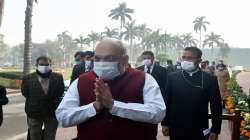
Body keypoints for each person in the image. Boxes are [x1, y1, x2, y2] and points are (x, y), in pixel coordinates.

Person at [56, 39, 166, 140]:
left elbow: (158, 112)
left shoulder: (144, 79)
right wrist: (94, 107)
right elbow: (63, 116)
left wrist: (114, 105)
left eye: (110, 59)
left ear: (125, 60)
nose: (102, 63)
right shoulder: (81, 81)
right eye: (98, 59)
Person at [162, 47, 222, 140]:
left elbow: (216, 106)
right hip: (176, 127)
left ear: (199, 60)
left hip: (199, 128)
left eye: (190, 58)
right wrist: (165, 123)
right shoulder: (172, 77)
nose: (185, 60)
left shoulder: (209, 79)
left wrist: (215, 129)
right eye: (184, 57)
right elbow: (166, 102)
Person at [21, 56, 65, 140]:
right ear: (36, 65)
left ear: (50, 65)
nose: (44, 66)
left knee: (50, 136)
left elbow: (60, 92)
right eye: (41, 64)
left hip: (52, 112)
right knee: (34, 135)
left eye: (47, 64)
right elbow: (25, 93)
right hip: (34, 112)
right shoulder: (27, 78)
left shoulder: (58, 77)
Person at [137, 51, 168, 140]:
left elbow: (164, 87)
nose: (146, 60)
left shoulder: (162, 70)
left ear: (153, 59)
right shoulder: (138, 69)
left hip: (155, 101)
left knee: (153, 124)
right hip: (141, 102)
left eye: (148, 58)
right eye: (144, 58)